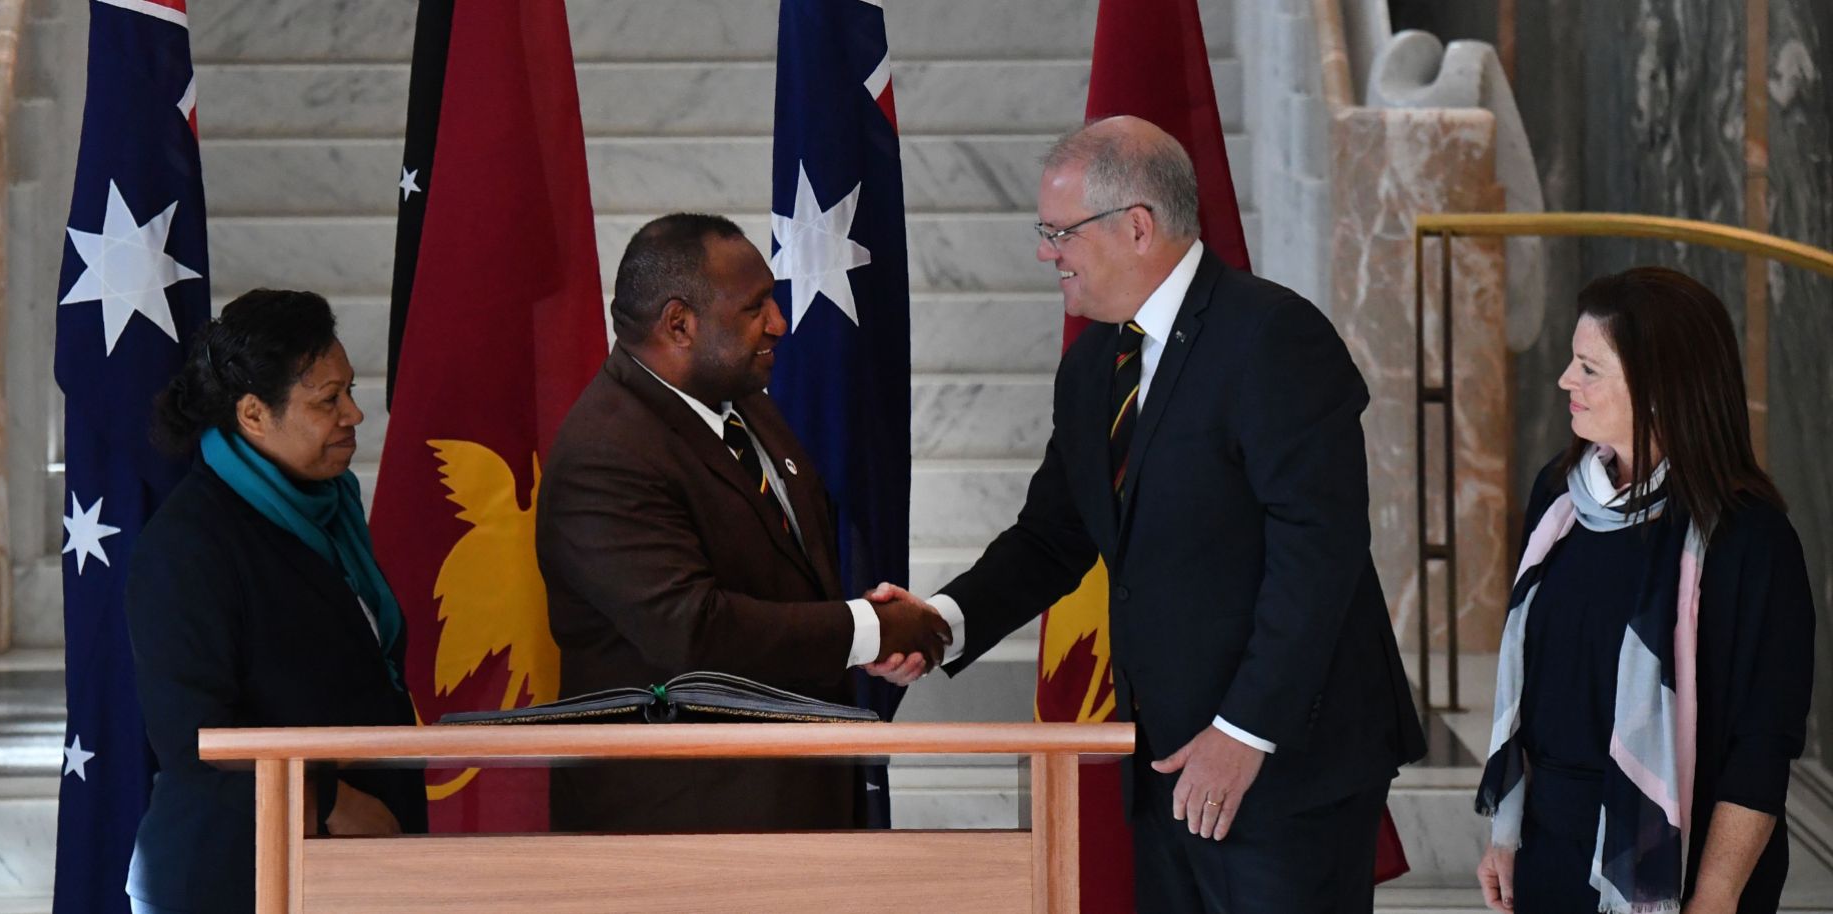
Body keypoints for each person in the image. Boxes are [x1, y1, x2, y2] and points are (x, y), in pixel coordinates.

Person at [866, 116, 1425, 912]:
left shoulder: (1272, 336)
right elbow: (1051, 537)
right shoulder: (1094, 364)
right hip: (1165, 764)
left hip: (1283, 766)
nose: (1044, 252)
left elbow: (1319, 552)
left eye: (1059, 231)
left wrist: (1243, 734)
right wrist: (942, 620)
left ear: (1137, 226)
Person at [535, 213, 950, 832]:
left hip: (795, 805)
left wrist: (879, 628)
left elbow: (796, 576)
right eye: (755, 307)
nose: (780, 323)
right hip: (681, 834)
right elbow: (693, 632)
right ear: (680, 324)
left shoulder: (746, 404)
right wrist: (868, 629)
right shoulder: (605, 452)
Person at [1474, 267, 1814, 914]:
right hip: (1551, 854)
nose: (1565, 381)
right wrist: (1506, 836)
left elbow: (1761, 748)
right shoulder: (1560, 499)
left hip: (1681, 871)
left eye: (1588, 368)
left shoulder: (1750, 541)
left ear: (1661, 389)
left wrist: (1712, 899)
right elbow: (1537, 690)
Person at [123, 290, 426, 914]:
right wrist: (331, 802)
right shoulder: (189, 544)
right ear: (255, 415)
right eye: (326, 401)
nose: (354, 415)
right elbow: (193, 736)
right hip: (235, 872)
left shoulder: (330, 507)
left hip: (343, 867)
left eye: (349, 391)